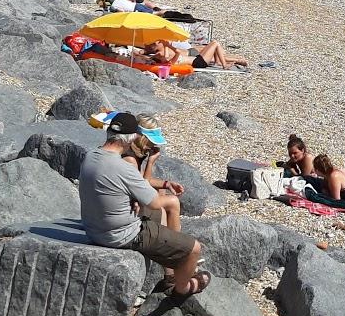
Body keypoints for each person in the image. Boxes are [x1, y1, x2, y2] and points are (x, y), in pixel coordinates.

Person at [78, 114, 207, 295]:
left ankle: (170, 268)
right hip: (123, 235)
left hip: (94, 229)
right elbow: (153, 202)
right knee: (194, 249)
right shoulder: (123, 166)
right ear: (132, 138)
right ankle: (181, 289)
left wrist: (139, 195)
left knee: (161, 207)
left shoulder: (91, 156)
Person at [147, 37, 247, 72]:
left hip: (196, 60)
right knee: (215, 43)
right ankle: (224, 65)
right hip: (199, 62)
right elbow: (173, 52)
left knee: (213, 44)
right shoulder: (169, 60)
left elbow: (157, 56)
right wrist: (167, 45)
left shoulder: (168, 60)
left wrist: (165, 46)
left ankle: (220, 62)